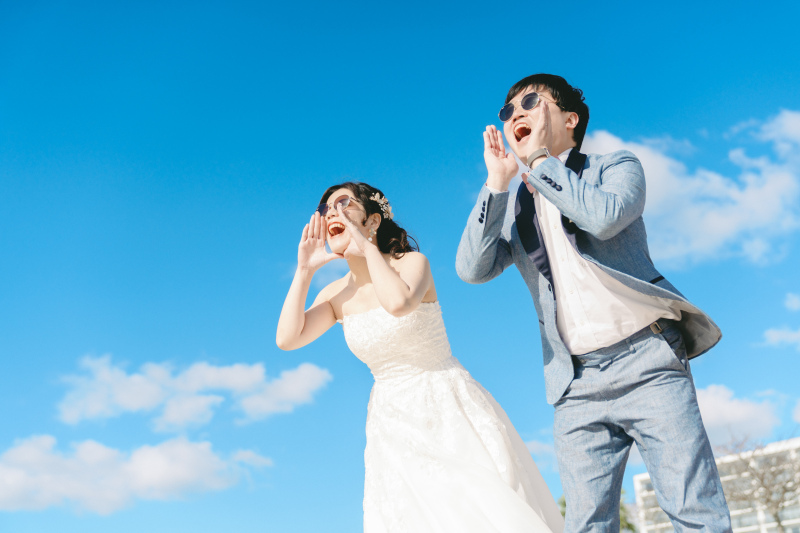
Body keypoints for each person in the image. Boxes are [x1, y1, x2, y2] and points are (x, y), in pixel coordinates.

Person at [456, 74, 732, 533]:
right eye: (508, 112)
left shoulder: (614, 167)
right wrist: (497, 185)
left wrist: (542, 159)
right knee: (587, 526)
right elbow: (472, 268)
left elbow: (603, 220)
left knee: (694, 512)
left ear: (570, 119)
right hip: (575, 383)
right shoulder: (518, 205)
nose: (516, 114)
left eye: (530, 102)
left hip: (649, 362)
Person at [277, 181, 564, 532]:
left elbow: (397, 303)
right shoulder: (336, 294)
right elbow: (288, 339)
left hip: (447, 406)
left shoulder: (412, 263)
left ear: (372, 220)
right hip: (390, 423)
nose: (331, 212)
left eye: (343, 204)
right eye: (325, 209)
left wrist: (365, 247)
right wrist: (304, 271)